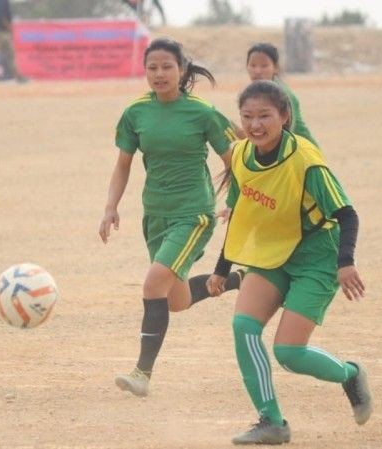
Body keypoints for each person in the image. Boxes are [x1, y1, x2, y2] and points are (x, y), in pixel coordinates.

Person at [206, 80, 372, 445]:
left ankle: (349, 374)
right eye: (247, 116)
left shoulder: (306, 160)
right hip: (270, 253)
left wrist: (345, 263)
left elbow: (347, 215)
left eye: (265, 115)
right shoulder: (241, 156)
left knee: (289, 353)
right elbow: (242, 216)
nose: (255, 124)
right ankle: (272, 421)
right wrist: (221, 268)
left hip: (317, 255)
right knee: (243, 327)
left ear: (284, 116)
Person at [98, 38, 243, 397]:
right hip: (156, 216)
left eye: (167, 67)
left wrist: (237, 202)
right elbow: (122, 166)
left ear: (181, 70)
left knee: (152, 284)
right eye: (152, 68)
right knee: (175, 301)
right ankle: (241, 278)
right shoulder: (135, 113)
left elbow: (236, 162)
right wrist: (110, 206)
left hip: (193, 214)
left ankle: (141, 373)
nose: (159, 74)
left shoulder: (203, 112)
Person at [245, 43, 318, 146]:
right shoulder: (253, 93)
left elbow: (284, 134)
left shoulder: (282, 95)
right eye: (253, 65)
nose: (257, 71)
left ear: (276, 67)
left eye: (264, 66)